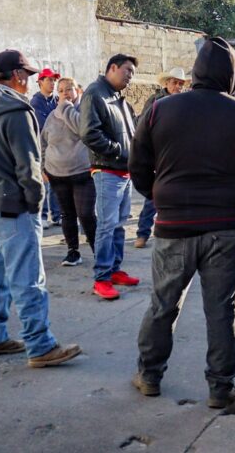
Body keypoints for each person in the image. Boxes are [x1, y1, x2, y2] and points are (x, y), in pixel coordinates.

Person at [129, 37, 235, 409]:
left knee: (163, 304)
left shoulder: (159, 110)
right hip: (228, 227)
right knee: (222, 309)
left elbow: (138, 168)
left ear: (196, 72)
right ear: (233, 75)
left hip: (173, 226)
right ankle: (220, 387)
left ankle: (149, 376)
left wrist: (164, 197)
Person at [0, 49, 81, 368]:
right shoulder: (17, 110)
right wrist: (36, 203)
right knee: (29, 277)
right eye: (28, 76)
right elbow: (28, 164)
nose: (30, 82)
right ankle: (40, 344)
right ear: (17, 76)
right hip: (14, 204)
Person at [80, 53, 140, 300]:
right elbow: (89, 133)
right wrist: (118, 151)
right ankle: (101, 277)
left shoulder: (120, 100)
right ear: (112, 68)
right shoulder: (95, 93)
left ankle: (114, 269)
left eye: (133, 73)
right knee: (106, 225)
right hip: (107, 170)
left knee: (119, 224)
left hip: (124, 171)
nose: (130, 77)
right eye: (127, 71)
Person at [43, 77, 97, 267]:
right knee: (67, 215)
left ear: (77, 91)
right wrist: (44, 166)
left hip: (82, 173)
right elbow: (43, 141)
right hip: (57, 174)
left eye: (69, 89)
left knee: (86, 214)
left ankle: (98, 249)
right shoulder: (51, 116)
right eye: (61, 90)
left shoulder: (84, 112)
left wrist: (65, 108)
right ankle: (73, 251)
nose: (65, 93)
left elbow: (82, 130)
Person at [134, 67, 187, 249]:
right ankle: (142, 233)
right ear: (166, 83)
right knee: (154, 196)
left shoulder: (185, 102)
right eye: (174, 82)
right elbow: (142, 125)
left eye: (180, 83)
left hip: (179, 154)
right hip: (159, 154)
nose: (178, 86)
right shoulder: (155, 101)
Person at [32, 68, 62, 229]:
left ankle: (57, 215)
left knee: (57, 183)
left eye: (54, 80)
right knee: (43, 183)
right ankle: (42, 216)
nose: (52, 83)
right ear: (40, 82)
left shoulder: (56, 101)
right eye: (49, 80)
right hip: (41, 149)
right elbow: (44, 126)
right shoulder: (35, 102)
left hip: (56, 149)